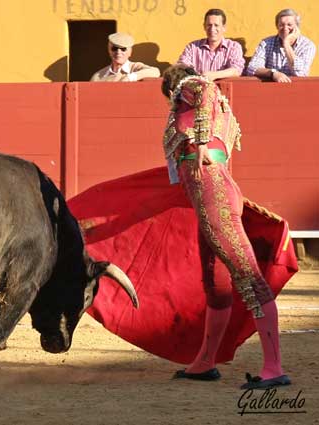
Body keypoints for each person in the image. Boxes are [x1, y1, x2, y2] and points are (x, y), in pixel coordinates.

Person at [160, 64, 291, 389]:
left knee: (248, 278)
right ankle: (205, 362)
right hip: (211, 193)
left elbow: (203, 90)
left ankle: (274, 368)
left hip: (212, 191)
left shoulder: (190, 87)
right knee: (216, 286)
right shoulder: (219, 111)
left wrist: (201, 140)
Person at [246, 9, 316, 82]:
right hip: (270, 89)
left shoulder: (307, 45)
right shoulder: (266, 43)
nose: (285, 28)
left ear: (297, 27)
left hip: (296, 89)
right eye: (281, 25)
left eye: (289, 25)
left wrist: (286, 44)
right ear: (277, 26)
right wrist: (273, 73)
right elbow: (252, 68)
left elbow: (301, 73)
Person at [178, 8, 244, 81]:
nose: (212, 29)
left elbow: (237, 70)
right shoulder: (192, 47)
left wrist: (214, 75)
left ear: (224, 28)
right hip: (197, 90)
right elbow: (181, 67)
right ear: (204, 26)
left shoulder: (233, 47)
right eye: (209, 25)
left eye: (216, 25)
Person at [90, 32, 160, 82]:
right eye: (114, 48)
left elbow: (155, 72)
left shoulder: (135, 67)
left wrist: (130, 77)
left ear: (130, 52)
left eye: (123, 49)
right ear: (109, 50)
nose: (118, 52)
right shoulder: (98, 76)